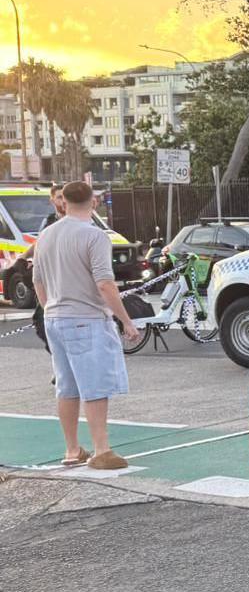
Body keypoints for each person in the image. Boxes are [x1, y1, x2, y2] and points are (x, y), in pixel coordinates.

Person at [31, 181, 139, 469]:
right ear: (94, 203)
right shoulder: (95, 237)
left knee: (66, 386)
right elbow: (105, 283)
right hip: (86, 318)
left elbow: (37, 281)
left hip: (54, 316)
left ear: (62, 202)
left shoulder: (45, 236)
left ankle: (72, 449)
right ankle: (102, 450)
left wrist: (49, 308)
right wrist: (125, 320)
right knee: (95, 385)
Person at [28, 183, 66, 352]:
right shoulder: (49, 222)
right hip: (51, 277)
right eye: (59, 197)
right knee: (41, 319)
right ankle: (56, 354)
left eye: (65, 196)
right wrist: (24, 258)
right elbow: (39, 244)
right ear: (52, 200)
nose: (63, 201)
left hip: (69, 277)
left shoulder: (81, 219)